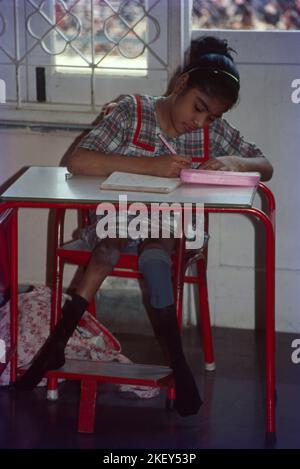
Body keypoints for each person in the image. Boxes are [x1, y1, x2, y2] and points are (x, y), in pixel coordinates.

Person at [14, 36, 273, 417]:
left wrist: (234, 161)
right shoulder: (131, 111)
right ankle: (55, 347)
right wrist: (149, 167)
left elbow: (265, 165)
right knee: (106, 246)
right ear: (181, 84)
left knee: (156, 253)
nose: (199, 123)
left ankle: (177, 363)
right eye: (198, 108)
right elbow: (78, 162)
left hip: (170, 226)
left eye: (211, 118)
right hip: (118, 214)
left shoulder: (209, 133)